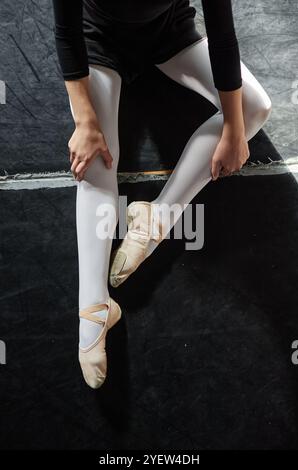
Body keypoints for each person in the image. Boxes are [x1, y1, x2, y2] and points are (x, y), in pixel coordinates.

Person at [52, 0, 272, 389]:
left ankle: (157, 218)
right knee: (99, 156)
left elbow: (222, 34)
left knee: (255, 107)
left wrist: (235, 127)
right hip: (97, 38)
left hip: (167, 32)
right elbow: (67, 31)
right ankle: (94, 309)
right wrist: (85, 121)